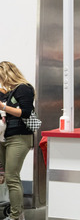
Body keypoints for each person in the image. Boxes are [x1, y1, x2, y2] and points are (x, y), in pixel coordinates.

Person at [0, 61, 35, 220]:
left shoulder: (24, 89)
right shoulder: (6, 92)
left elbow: (26, 113)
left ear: (8, 75)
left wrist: (3, 107)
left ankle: (16, 216)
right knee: (6, 176)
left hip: (19, 137)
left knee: (12, 176)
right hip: (4, 137)